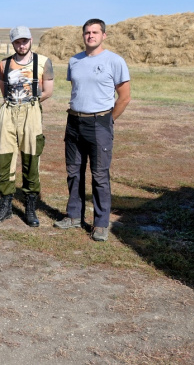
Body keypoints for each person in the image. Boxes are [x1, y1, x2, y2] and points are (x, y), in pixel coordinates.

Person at [54, 19, 131, 242]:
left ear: (103, 35)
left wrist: (108, 121)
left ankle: (100, 223)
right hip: (74, 122)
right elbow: (78, 90)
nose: (90, 36)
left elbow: (124, 97)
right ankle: (74, 215)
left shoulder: (114, 61)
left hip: (100, 123)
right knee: (74, 171)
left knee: (99, 176)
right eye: (87, 32)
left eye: (95, 32)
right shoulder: (74, 61)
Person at [0, 26, 54, 227]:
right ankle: (6, 205)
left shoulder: (43, 62)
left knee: (31, 156)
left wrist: (30, 103)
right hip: (9, 111)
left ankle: (30, 207)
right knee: (5, 156)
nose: (22, 45)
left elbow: (48, 91)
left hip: (31, 112)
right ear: (12, 43)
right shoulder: (3, 64)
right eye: (18, 42)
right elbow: (3, 91)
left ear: (31, 40)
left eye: (25, 41)